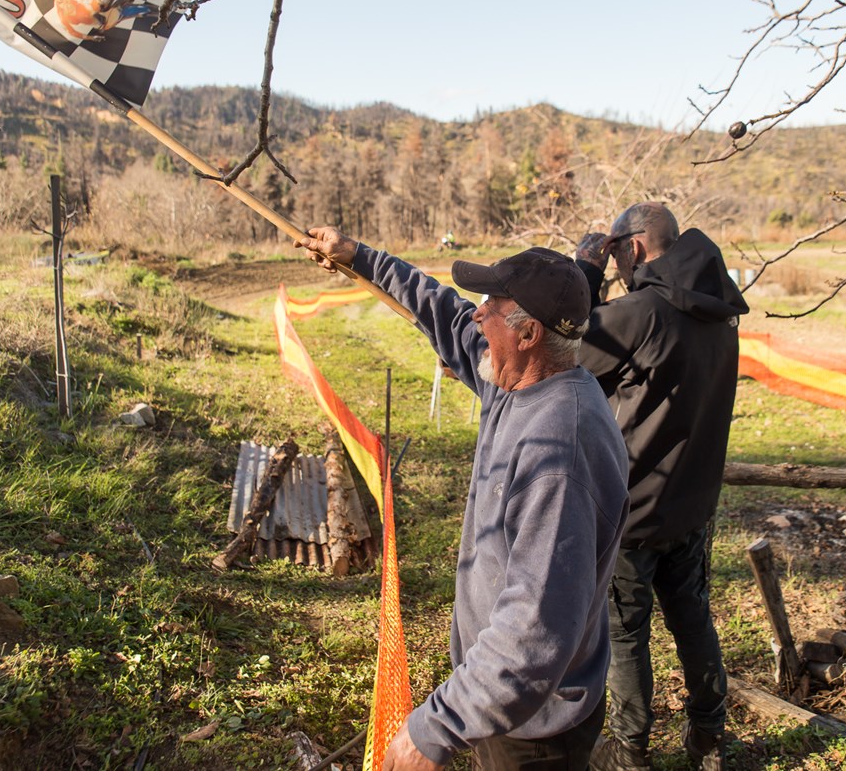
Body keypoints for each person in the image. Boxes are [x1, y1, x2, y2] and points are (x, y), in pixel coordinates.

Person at [295, 227, 630, 770]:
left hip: (534, 728)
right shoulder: (516, 379)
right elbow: (444, 312)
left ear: (528, 334)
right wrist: (358, 258)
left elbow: (534, 631)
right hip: (501, 704)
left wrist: (437, 728)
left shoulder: (560, 454)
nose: (477, 315)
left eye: (491, 306)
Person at [573, 202, 749, 771]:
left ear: (636, 247)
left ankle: (629, 752)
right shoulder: (721, 308)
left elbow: (566, 357)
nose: (616, 260)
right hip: (692, 502)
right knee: (693, 617)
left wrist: (583, 275)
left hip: (632, 508)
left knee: (624, 634)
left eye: (616, 249)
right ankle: (709, 737)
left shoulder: (640, 311)